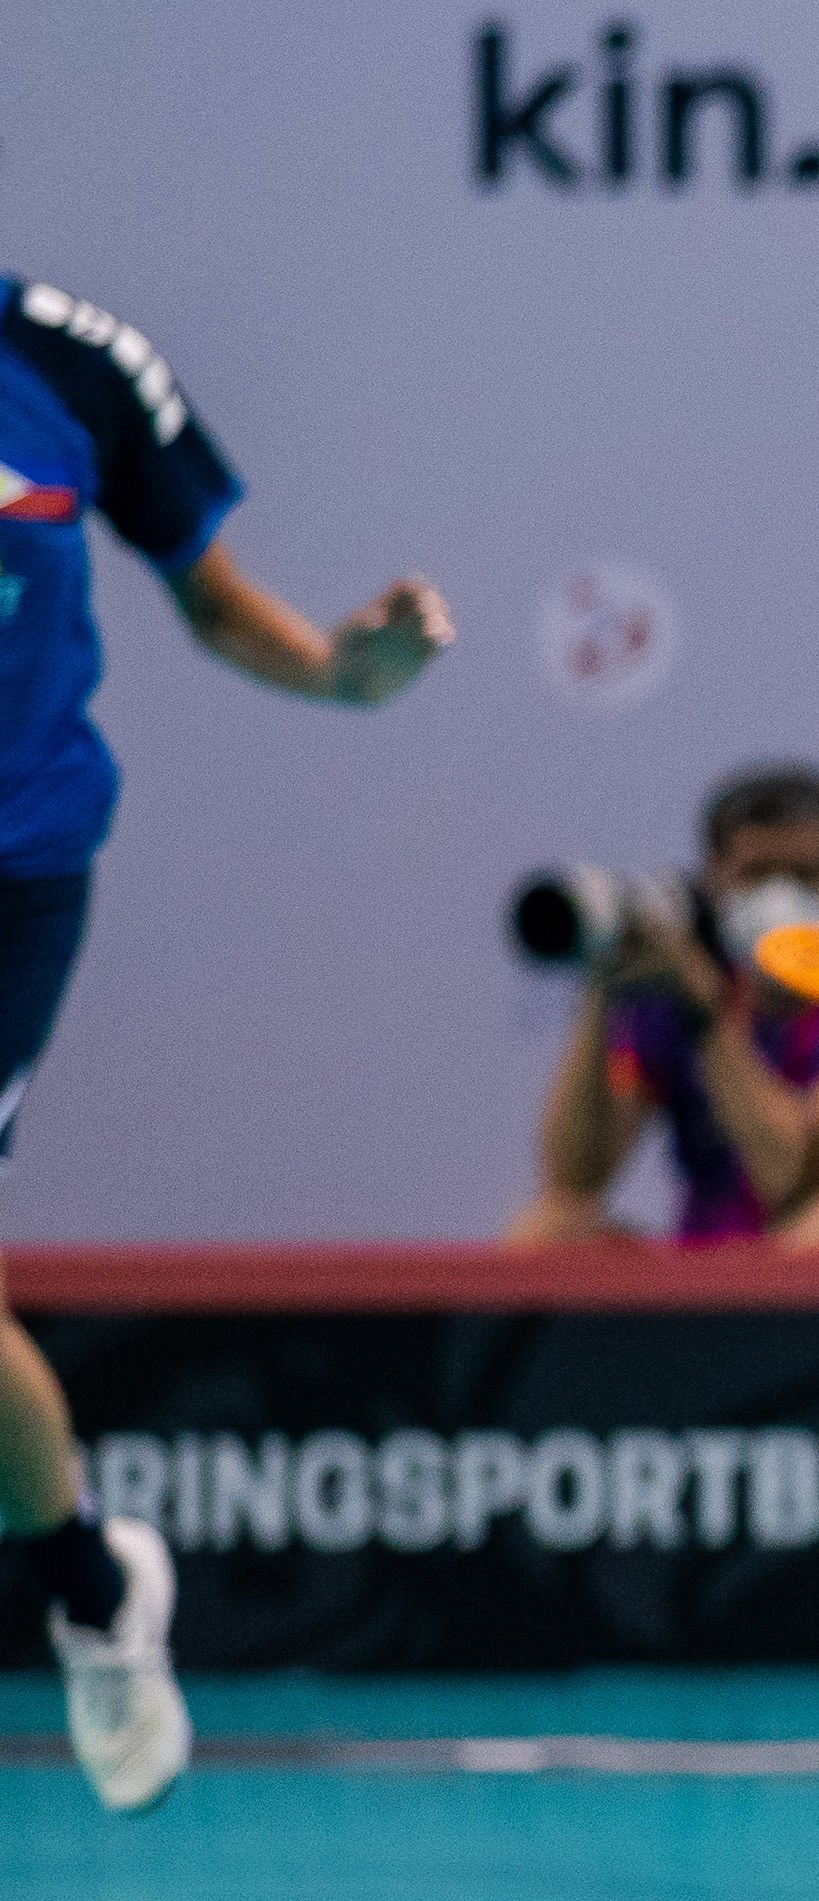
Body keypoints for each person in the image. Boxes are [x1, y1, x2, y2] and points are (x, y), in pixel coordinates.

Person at [7, 272, 448, 1812]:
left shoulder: (69, 359)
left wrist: (343, 672)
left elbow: (211, 595)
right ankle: (84, 1569)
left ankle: (84, 1583)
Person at [509, 763, 819, 1256]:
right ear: (714, 883)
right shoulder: (680, 978)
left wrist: (705, 1016)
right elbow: (575, 1178)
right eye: (756, 873)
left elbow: (796, 1176)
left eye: (805, 876)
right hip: (719, 1269)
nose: (779, 898)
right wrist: (602, 984)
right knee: (552, 1230)